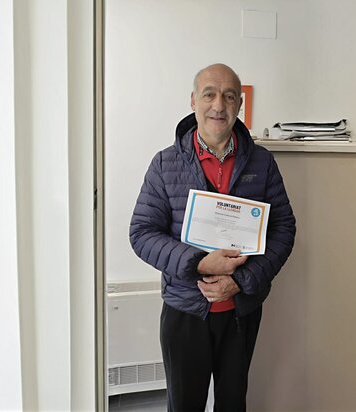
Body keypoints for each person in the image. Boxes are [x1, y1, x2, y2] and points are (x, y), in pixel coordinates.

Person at [130, 63, 296, 411]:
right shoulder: (165, 164)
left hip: (240, 311)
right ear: (194, 100)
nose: (218, 105)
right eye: (209, 94)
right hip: (184, 311)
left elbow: (283, 229)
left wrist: (241, 280)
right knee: (184, 404)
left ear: (239, 105)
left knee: (233, 403)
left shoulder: (262, 163)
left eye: (229, 96)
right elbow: (142, 233)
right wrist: (199, 263)